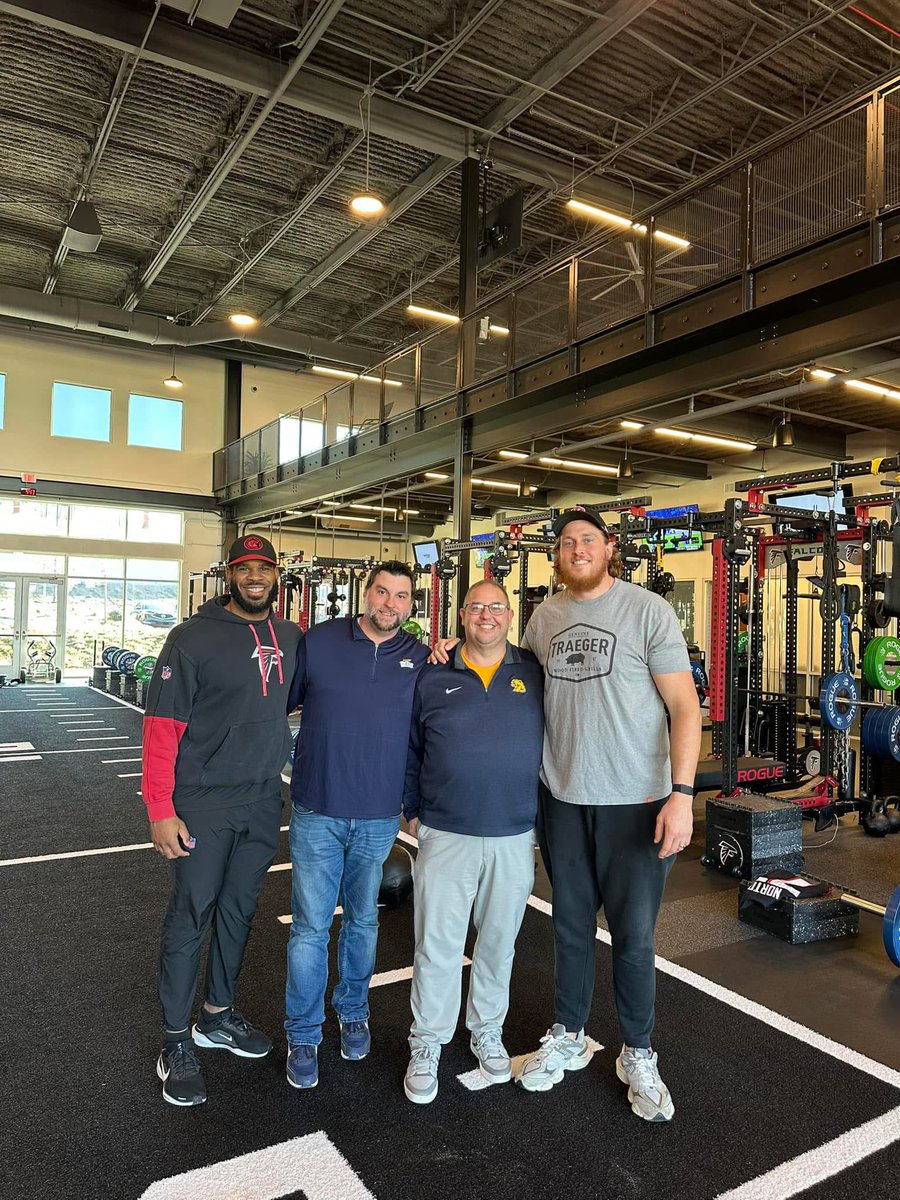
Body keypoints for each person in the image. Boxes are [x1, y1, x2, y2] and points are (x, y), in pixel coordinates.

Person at [513, 508, 701, 1121]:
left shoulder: (647, 610)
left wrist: (682, 794)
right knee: (568, 928)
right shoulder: (545, 618)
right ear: (557, 555)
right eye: (566, 542)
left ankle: (637, 1051)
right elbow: (516, 682)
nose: (577, 549)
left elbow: (685, 706)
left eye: (587, 539)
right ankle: (568, 1033)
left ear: (608, 547)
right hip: (563, 800)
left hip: (637, 804)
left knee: (633, 936)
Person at [143, 534, 301, 1107]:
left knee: (238, 914)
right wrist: (160, 809)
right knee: (191, 916)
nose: (254, 576)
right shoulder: (190, 639)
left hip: (262, 799)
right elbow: (161, 728)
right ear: (228, 576)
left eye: (264, 568)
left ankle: (217, 1016)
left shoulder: (289, 636)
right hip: (203, 801)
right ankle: (174, 1040)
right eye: (244, 569)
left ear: (276, 575)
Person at [284, 560, 430, 1090]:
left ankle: (353, 1011)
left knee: (363, 922)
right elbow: (276, 703)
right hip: (317, 811)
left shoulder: (419, 658)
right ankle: (303, 1034)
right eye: (382, 592)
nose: (389, 603)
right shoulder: (320, 641)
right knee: (309, 929)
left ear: (411, 605)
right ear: (366, 595)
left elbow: (428, 732)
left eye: (400, 596)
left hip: (376, 816)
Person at [402, 580, 544, 1105]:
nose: (487, 615)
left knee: (497, 945)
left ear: (510, 616)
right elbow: (410, 748)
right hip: (446, 831)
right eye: (477, 607)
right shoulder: (432, 671)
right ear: (462, 615)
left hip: (513, 834)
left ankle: (487, 1029)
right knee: (436, 947)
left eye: (496, 608)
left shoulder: (533, 669)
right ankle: (427, 1043)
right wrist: (413, 811)